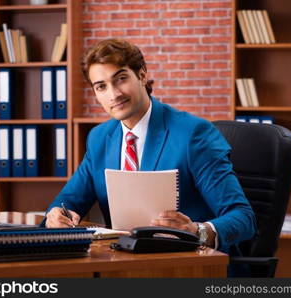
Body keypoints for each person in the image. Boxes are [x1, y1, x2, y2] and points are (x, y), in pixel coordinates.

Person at [44, 38, 256, 262]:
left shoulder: (193, 134)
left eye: (121, 79)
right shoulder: (99, 138)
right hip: (121, 264)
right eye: (101, 86)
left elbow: (243, 218)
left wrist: (198, 231)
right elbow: (67, 202)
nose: (114, 94)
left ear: (142, 75)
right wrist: (57, 215)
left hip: (187, 266)